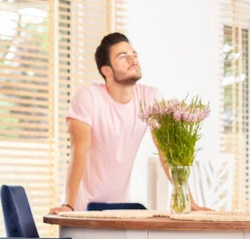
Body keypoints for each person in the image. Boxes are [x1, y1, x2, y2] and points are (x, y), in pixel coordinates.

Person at [50, 32, 209, 215]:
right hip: (83, 208)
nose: (133, 59)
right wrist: (69, 205)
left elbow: (166, 154)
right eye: (122, 56)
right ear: (106, 70)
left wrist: (189, 201)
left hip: (120, 208)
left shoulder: (150, 97)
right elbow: (79, 150)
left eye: (134, 54)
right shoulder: (88, 97)